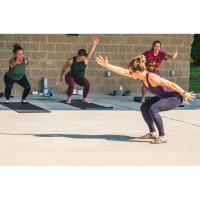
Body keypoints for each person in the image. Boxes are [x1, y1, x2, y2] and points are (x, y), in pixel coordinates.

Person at [96, 55, 195, 144]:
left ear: (137, 72)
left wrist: (184, 93)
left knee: (154, 108)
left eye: (131, 72)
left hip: (175, 97)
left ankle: (162, 136)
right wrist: (107, 66)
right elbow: (122, 71)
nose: (129, 73)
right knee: (144, 107)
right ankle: (152, 132)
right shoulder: (142, 77)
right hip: (164, 96)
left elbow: (171, 84)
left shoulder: (152, 77)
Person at [60, 37, 99, 104]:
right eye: (82, 57)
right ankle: (69, 99)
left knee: (87, 84)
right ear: (78, 55)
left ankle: (84, 98)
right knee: (72, 84)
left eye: (84, 57)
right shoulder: (71, 60)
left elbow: (90, 53)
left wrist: (94, 44)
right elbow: (64, 68)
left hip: (80, 77)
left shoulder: (85, 60)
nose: (84, 59)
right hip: (70, 76)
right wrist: (61, 76)